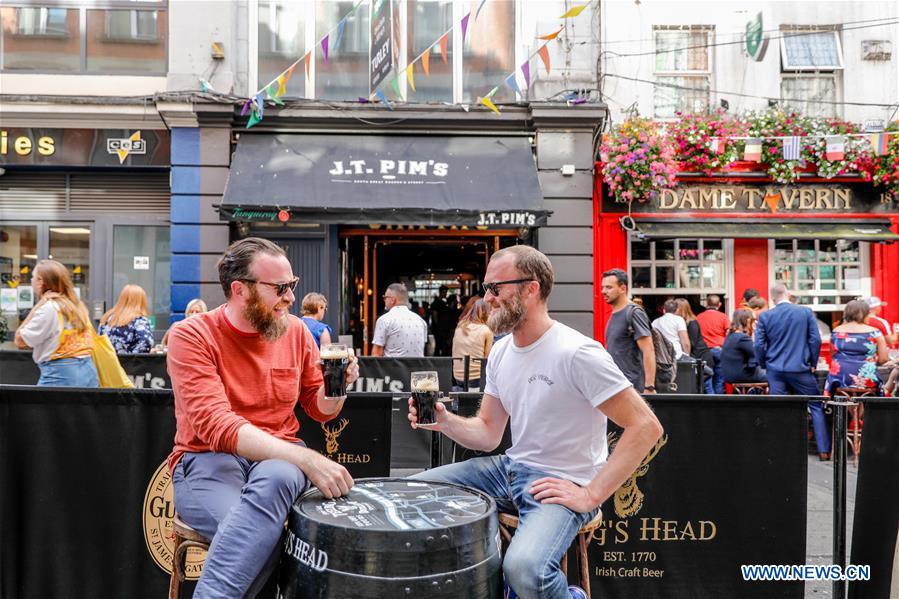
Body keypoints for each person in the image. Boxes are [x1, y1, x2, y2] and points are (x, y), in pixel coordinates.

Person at [409, 245, 664, 599]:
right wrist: (445, 421)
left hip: (561, 479)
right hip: (508, 469)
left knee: (525, 570)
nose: (486, 299)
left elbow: (646, 427)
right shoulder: (500, 351)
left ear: (531, 288)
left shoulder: (577, 352)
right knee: (409, 495)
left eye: (495, 288)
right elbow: (487, 432)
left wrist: (590, 493)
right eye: (485, 289)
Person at [166, 237, 359, 597]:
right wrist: (306, 457)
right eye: (280, 288)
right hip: (207, 460)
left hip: (277, 464)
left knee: (278, 480)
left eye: (292, 286)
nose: (290, 297)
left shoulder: (297, 331)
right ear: (239, 290)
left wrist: (338, 387)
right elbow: (217, 428)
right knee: (257, 535)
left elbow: (320, 409)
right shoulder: (192, 335)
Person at [754, 284, 826, 459]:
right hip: (800, 368)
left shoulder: (766, 316)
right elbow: (815, 340)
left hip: (775, 369)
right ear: (787, 294)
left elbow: (758, 345)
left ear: (772, 298)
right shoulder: (805, 312)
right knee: (816, 405)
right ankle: (824, 450)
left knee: (777, 407)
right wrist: (812, 362)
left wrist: (764, 363)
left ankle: (777, 447)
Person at [14, 259, 99, 387]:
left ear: (40, 282)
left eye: (33, 277)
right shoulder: (78, 306)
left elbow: (19, 340)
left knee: (43, 407)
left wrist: (37, 307)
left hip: (60, 375)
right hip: (88, 372)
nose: (31, 280)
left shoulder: (49, 308)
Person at [601, 269, 656, 393]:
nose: (603, 291)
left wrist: (649, 387)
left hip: (632, 386)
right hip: (616, 384)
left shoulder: (634, 313)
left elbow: (648, 349)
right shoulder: (614, 314)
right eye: (603, 287)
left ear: (623, 288)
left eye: (609, 287)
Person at [826, 300, 889, 395]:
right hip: (867, 377)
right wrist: (871, 362)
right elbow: (883, 359)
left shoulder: (836, 331)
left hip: (840, 377)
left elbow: (833, 355)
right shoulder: (875, 333)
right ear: (864, 314)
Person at [371, 283, 428, 357]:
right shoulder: (421, 321)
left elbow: (376, 353)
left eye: (385, 297)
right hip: (417, 368)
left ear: (392, 300)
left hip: (392, 368)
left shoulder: (384, 320)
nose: (384, 300)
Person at [97, 284, 155, 354]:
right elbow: (146, 342)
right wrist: (132, 358)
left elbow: (99, 343)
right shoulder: (139, 320)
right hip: (128, 364)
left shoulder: (106, 319)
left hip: (108, 363)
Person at [451, 297, 493, 390]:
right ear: (487, 312)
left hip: (457, 377)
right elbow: (487, 359)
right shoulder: (486, 331)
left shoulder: (460, 326)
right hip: (476, 379)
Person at [675, 299, 715, 394]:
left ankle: (714, 406)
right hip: (698, 358)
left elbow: (691, 344)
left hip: (702, 358)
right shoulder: (686, 323)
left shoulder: (692, 323)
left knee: (706, 387)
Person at [721, 310, 766, 386]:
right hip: (742, 375)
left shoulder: (731, 335)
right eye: (753, 320)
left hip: (731, 375)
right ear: (748, 321)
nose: (755, 323)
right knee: (775, 376)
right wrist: (755, 333)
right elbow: (757, 353)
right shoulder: (742, 338)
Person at [696, 294, 730, 394]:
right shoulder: (723, 317)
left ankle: (710, 402)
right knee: (720, 380)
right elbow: (728, 333)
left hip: (705, 352)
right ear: (719, 304)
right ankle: (720, 404)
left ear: (706, 304)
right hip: (719, 350)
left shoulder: (699, 317)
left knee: (707, 379)